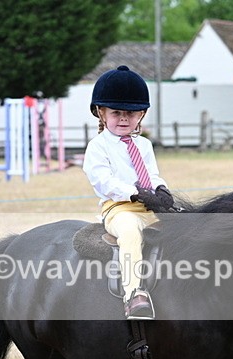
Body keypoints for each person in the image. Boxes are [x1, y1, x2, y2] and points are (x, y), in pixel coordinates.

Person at [82, 65, 174, 320]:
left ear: (141, 115)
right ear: (101, 113)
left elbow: (151, 174)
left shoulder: (143, 144)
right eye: (116, 113)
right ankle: (134, 294)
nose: (124, 119)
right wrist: (133, 193)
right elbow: (102, 180)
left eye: (131, 114)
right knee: (131, 233)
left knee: (185, 229)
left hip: (149, 206)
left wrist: (161, 189)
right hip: (119, 209)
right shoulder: (98, 146)